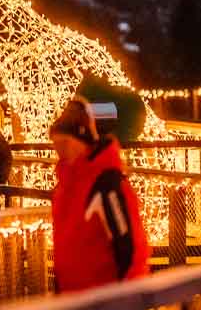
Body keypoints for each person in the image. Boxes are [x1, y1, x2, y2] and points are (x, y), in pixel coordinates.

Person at [48, 97, 149, 292]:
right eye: (56, 145)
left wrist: (122, 298)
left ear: (82, 141)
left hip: (104, 302)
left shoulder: (105, 183)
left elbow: (128, 247)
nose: (60, 151)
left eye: (65, 144)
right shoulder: (64, 188)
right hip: (75, 301)